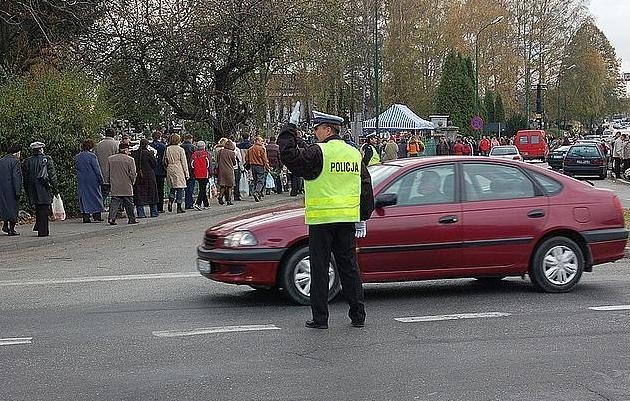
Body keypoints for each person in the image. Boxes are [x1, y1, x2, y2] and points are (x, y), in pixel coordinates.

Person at [278, 111, 375, 329]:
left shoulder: (318, 152)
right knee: (349, 267)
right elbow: (365, 186)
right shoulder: (352, 153)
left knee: (320, 269)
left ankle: (320, 319)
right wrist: (363, 216)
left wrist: (289, 128)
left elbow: (289, 155)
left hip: (322, 220)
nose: (315, 133)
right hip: (347, 219)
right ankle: (358, 315)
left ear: (327, 130)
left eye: (317, 129)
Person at [22, 141, 59, 237]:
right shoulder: (47, 159)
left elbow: (25, 178)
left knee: (38, 209)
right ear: (41, 149)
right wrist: (55, 189)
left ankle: (39, 227)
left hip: (32, 189)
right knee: (44, 209)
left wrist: (27, 190)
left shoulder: (27, 161)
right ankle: (43, 231)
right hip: (44, 187)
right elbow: (52, 176)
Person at [106, 143, 138, 225]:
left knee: (114, 202)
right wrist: (132, 182)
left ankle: (111, 218)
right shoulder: (130, 160)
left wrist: (109, 181)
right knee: (129, 203)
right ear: (126, 149)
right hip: (126, 184)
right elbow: (133, 173)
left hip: (115, 184)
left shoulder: (110, 159)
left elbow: (107, 172)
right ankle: (132, 218)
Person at [75, 139, 104, 223]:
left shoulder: (77, 156)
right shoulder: (92, 156)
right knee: (96, 196)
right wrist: (100, 179)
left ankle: (86, 215)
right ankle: (97, 215)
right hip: (92, 179)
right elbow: (97, 169)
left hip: (81, 179)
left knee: (84, 197)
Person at [132, 139, 159, 218]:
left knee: (139, 194)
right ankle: (154, 212)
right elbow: (154, 164)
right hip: (149, 175)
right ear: (147, 145)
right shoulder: (149, 153)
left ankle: (141, 213)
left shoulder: (135, 154)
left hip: (139, 176)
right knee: (152, 193)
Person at [0, 145, 22, 236]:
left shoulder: (1, 161)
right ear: (16, 152)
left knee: (4, 208)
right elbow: (16, 177)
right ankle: (12, 229)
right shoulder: (15, 162)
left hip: (1, 189)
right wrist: (18, 191)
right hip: (11, 189)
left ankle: (5, 225)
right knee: (13, 209)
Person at [164, 134, 190, 213]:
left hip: (170, 167)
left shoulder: (167, 149)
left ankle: (170, 201)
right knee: (180, 188)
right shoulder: (180, 149)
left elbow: (165, 160)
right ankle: (179, 206)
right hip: (178, 168)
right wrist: (186, 173)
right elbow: (184, 162)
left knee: (172, 187)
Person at [94, 128, 119, 205]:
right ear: (114, 134)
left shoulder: (98, 145)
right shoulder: (116, 144)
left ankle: (97, 208)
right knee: (116, 194)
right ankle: (116, 211)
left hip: (101, 172)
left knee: (103, 193)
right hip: (113, 173)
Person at [245, 136, 270, 202]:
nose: (262, 142)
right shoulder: (261, 149)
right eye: (261, 141)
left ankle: (258, 195)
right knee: (261, 180)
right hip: (260, 165)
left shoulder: (250, 149)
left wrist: (248, 164)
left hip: (252, 166)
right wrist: (267, 166)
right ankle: (257, 192)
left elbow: (246, 158)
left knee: (255, 180)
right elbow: (264, 159)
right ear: (257, 141)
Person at [191, 141, 211, 209]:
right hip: (205, 173)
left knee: (202, 188)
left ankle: (206, 204)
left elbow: (192, 165)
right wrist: (210, 173)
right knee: (202, 189)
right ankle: (198, 203)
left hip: (197, 173)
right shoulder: (206, 154)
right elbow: (208, 164)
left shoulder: (194, 154)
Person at [151, 131, 167, 212]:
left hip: (152, 170)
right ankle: (160, 207)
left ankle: (153, 207)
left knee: (153, 189)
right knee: (160, 189)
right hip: (160, 170)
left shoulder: (150, 146)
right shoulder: (163, 146)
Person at [217, 139, 237, 205]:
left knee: (222, 185)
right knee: (230, 186)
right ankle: (229, 200)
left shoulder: (220, 151)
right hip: (229, 170)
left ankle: (220, 197)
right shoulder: (232, 153)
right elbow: (234, 163)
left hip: (221, 170)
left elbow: (217, 160)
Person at [181, 134, 196, 209]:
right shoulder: (193, 147)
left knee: (184, 186)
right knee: (191, 186)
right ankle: (189, 203)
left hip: (182, 169)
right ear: (190, 139)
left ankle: (186, 202)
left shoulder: (181, 147)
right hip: (191, 169)